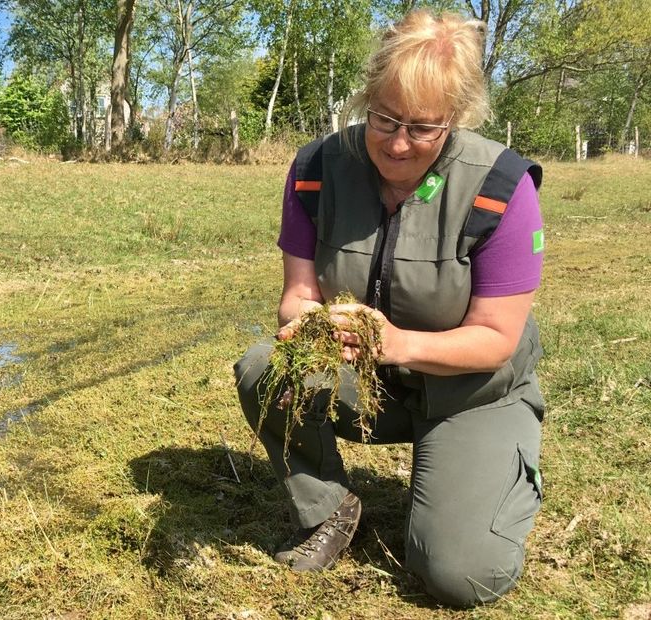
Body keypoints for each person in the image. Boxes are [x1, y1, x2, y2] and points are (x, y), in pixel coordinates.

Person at [234, 10, 546, 608]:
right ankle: (329, 507)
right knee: (264, 368)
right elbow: (298, 294)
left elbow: (495, 338)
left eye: (422, 128)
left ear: (454, 119)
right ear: (366, 100)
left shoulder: (501, 187)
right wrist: (307, 325)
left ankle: (498, 472)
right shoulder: (315, 171)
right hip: (376, 383)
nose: (397, 143)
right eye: (383, 118)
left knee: (461, 576)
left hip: (474, 391)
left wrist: (398, 344)